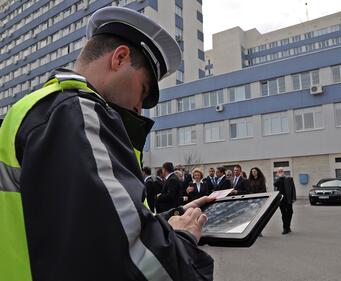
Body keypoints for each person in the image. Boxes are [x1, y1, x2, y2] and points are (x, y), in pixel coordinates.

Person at [0, 7, 214, 281]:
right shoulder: (77, 112)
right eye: (143, 91)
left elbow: (81, 224)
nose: (139, 108)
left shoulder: (33, 108)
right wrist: (182, 240)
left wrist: (176, 216)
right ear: (120, 58)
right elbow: (127, 255)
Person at [274, 167, 297, 235]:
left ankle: (288, 226)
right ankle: (285, 228)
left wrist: (293, 198)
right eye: (279, 171)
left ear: (284, 172)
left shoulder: (289, 179)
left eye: (281, 171)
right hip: (281, 200)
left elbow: (293, 188)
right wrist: (280, 177)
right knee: (284, 214)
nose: (280, 172)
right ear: (277, 173)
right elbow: (275, 184)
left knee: (290, 212)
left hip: (288, 199)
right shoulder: (277, 180)